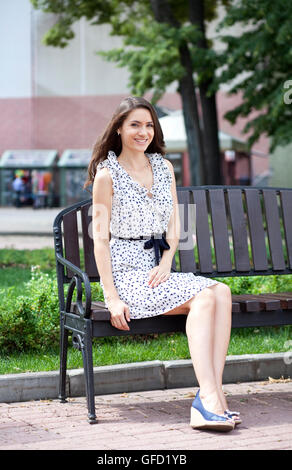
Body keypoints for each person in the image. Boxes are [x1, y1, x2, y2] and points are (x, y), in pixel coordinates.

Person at [87, 96, 241, 432]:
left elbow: (174, 222)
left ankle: (208, 397)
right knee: (206, 296)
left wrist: (168, 259)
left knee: (222, 292)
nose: (143, 132)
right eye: (135, 125)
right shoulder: (106, 175)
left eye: (148, 125)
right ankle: (212, 401)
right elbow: (100, 239)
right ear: (118, 128)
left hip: (156, 269)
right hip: (127, 275)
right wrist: (111, 297)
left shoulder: (163, 167)